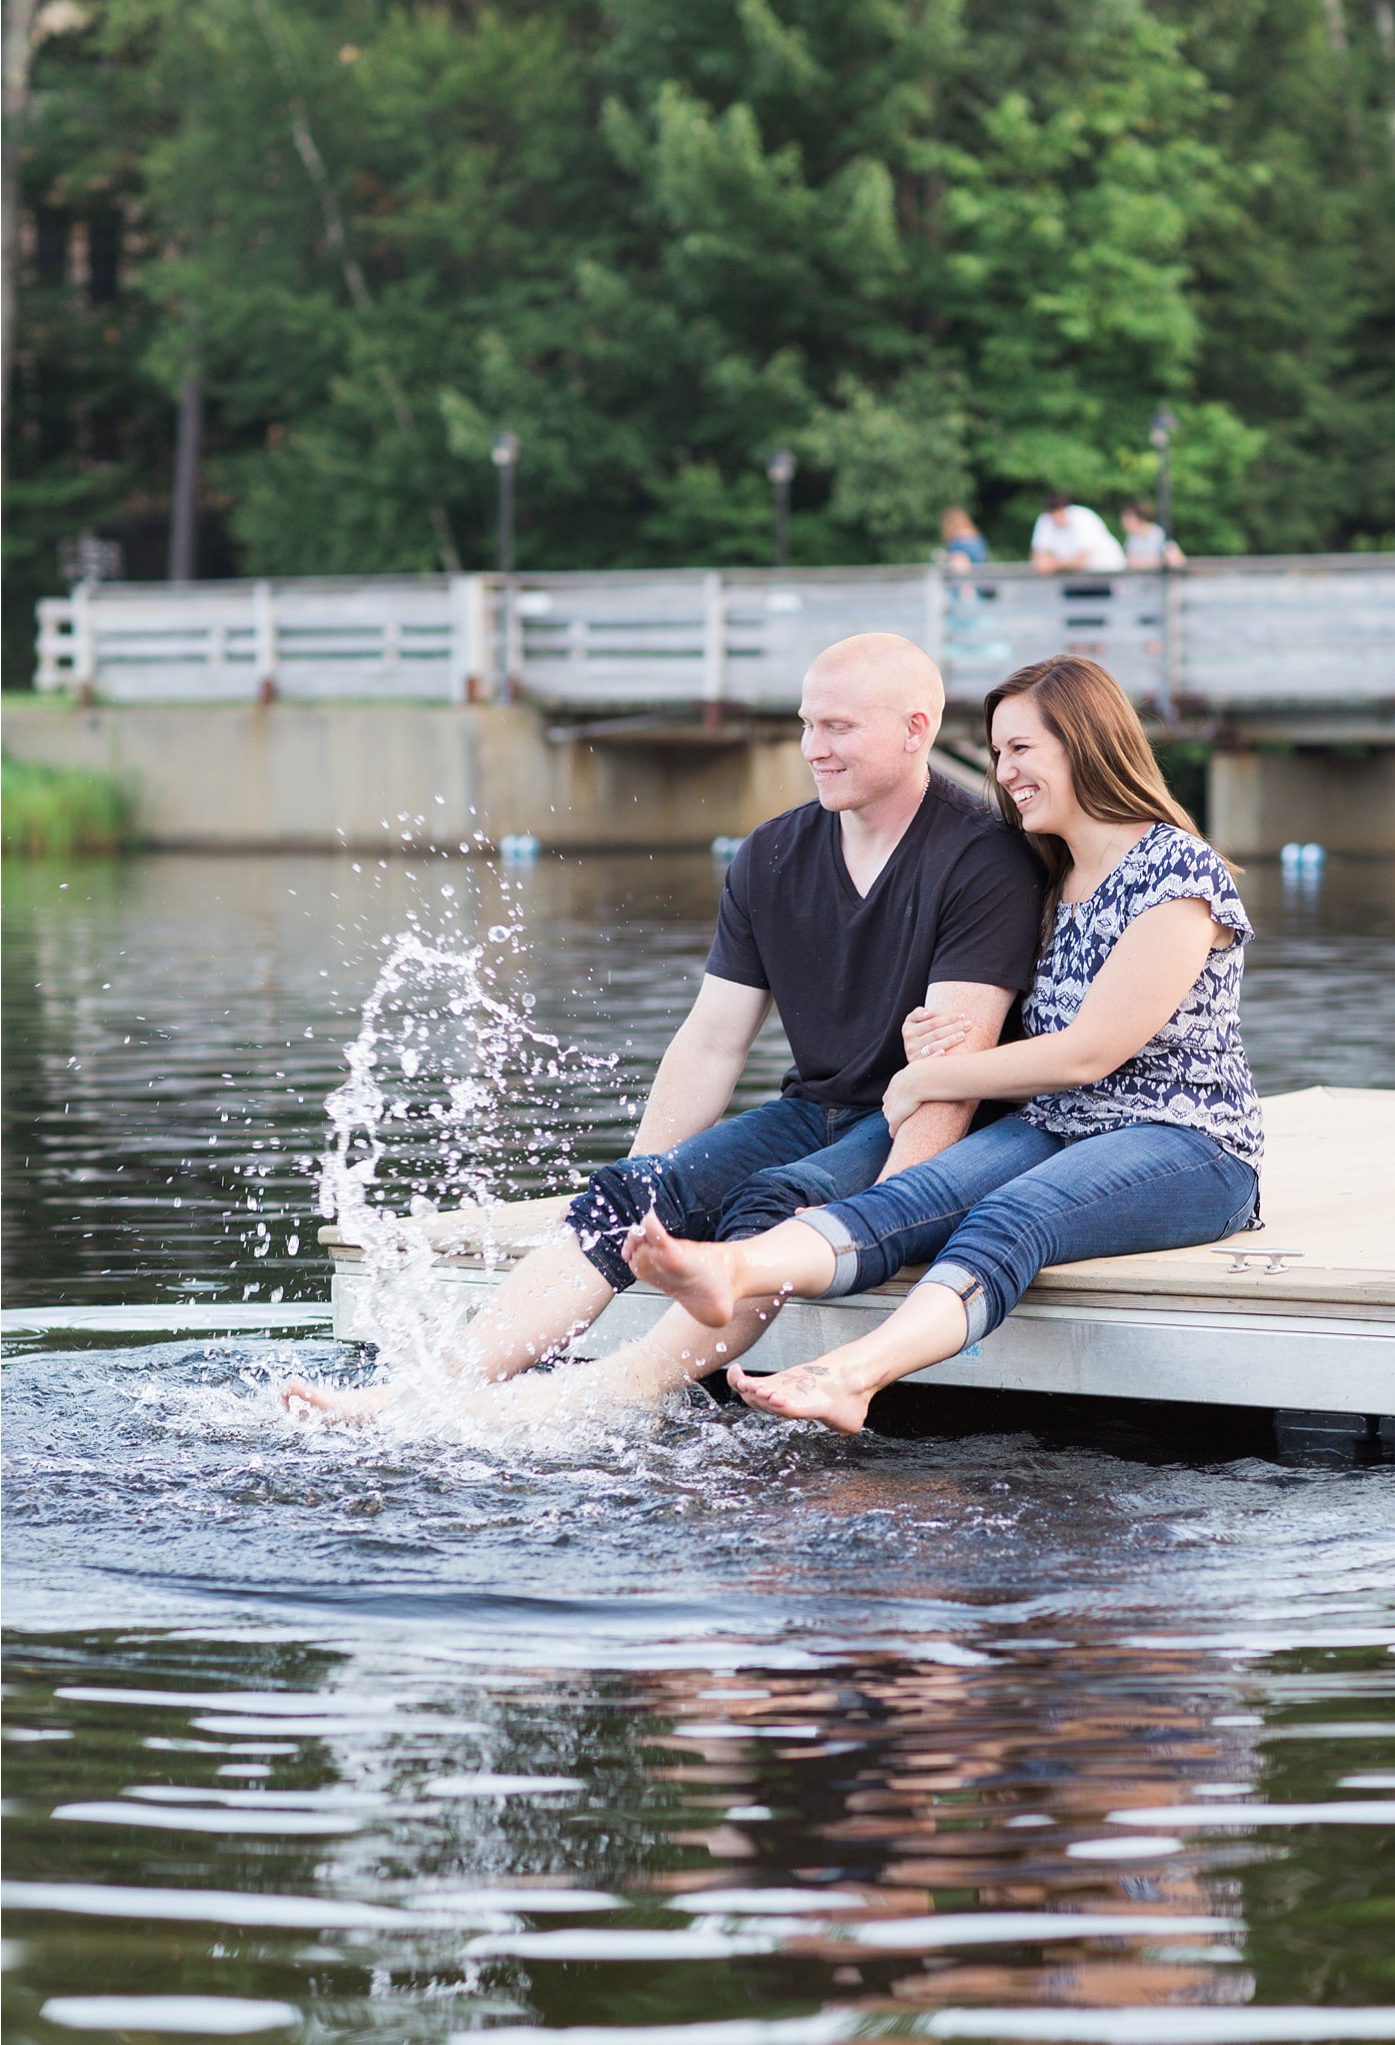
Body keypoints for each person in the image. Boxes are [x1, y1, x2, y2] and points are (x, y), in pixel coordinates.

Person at [283, 632, 1042, 1424]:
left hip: (916, 1122)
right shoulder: (771, 855)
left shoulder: (984, 857)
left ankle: (605, 1393)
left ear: (917, 729)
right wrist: (652, 1194)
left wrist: (889, 1222)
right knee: (626, 1193)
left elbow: (951, 1082)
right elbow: (712, 1043)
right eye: (805, 724)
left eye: (838, 728)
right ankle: (428, 1392)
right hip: (814, 1110)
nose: (812, 748)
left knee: (774, 1204)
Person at [623, 652, 1263, 1435]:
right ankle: (733, 1267)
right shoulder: (1053, 875)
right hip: (1058, 1123)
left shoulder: (1177, 874)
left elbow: (1091, 1051)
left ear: (1088, 744)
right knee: (907, 1197)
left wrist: (928, 1079)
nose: (1004, 771)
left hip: (1188, 1142)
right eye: (997, 752)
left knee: (1011, 1216)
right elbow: (1030, 1031)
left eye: (1021, 748)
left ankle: (852, 1375)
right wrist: (931, 1042)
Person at [1030, 495, 1126, 576]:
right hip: (1077, 577)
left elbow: (1080, 561)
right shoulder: (1045, 520)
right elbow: (1038, 556)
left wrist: (1053, 564)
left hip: (1106, 571)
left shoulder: (1083, 518)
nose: (1056, 520)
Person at [1122, 500, 1184, 570]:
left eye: (1127, 519)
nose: (1124, 523)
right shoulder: (1132, 537)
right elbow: (1128, 561)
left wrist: (1159, 561)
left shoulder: (1157, 534)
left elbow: (1176, 558)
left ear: (1139, 518)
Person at [939, 504, 990, 576]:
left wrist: (946, 557)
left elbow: (960, 566)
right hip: (981, 575)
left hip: (967, 578)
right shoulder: (977, 537)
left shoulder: (957, 542)